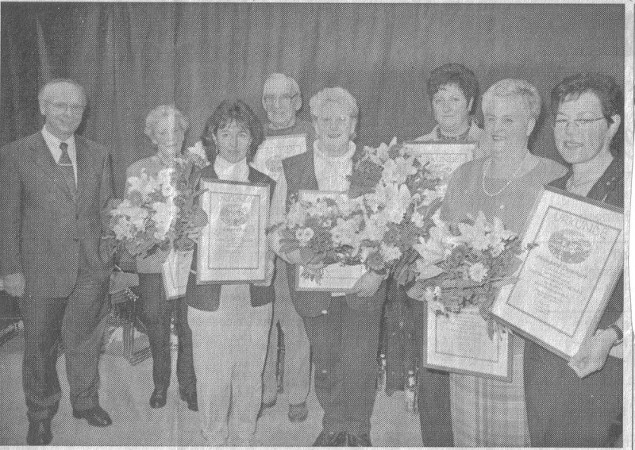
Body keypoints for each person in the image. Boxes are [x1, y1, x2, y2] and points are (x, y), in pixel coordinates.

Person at [440, 79, 566, 446]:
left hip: (522, 342)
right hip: (466, 335)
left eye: (509, 120)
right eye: (491, 118)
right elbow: (441, 248)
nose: (496, 129)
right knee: (468, 434)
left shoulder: (555, 178)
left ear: (531, 124)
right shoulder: (463, 176)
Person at [0, 78, 114, 445]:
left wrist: (110, 254)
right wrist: (10, 270)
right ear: (42, 107)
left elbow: (107, 211)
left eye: (76, 107)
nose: (69, 113)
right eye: (60, 105)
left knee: (86, 341)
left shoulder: (98, 153)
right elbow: (6, 216)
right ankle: (40, 413)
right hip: (38, 270)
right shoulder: (15, 154)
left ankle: (85, 402)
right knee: (39, 348)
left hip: (90, 268)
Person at [272, 87, 387, 446]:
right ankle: (334, 424)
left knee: (361, 359)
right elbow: (275, 227)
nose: (334, 126)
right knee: (326, 357)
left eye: (342, 119)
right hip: (314, 284)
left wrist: (379, 271)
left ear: (354, 124)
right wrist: (293, 254)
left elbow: (395, 225)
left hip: (363, 283)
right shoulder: (292, 167)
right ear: (315, 124)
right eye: (326, 119)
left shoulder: (375, 166)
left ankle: (359, 428)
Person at [524, 73, 624, 447]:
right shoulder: (553, 191)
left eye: (584, 120)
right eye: (563, 120)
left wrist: (613, 335)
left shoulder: (627, 189)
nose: (570, 132)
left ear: (612, 125)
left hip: (597, 359)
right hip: (543, 356)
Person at [185, 99, 276, 446]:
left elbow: (275, 237)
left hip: (253, 293)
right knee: (212, 377)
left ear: (253, 139)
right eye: (226, 133)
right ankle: (213, 438)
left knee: (250, 374)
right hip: (209, 295)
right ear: (213, 136)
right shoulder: (193, 181)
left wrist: (268, 263)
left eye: (242, 134)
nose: (234, 142)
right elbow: (175, 239)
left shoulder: (267, 184)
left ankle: (244, 437)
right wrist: (187, 234)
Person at [124, 105, 197, 411]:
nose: (171, 137)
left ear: (184, 134)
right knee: (156, 325)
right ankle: (160, 384)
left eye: (176, 130)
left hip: (189, 264)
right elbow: (130, 219)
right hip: (154, 263)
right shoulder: (137, 169)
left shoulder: (197, 167)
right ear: (151, 136)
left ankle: (189, 385)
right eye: (162, 131)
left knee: (189, 325)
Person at [259, 73, 312, 423]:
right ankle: (263, 390)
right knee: (263, 321)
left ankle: (296, 395)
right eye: (269, 98)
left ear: (297, 101)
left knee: (296, 324)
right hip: (259, 243)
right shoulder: (253, 135)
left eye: (284, 98)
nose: (276, 105)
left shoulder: (313, 132)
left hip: (296, 241)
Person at [416, 63, 487, 157]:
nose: (446, 108)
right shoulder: (416, 149)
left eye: (454, 99)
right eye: (439, 100)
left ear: (470, 103)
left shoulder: (490, 144)